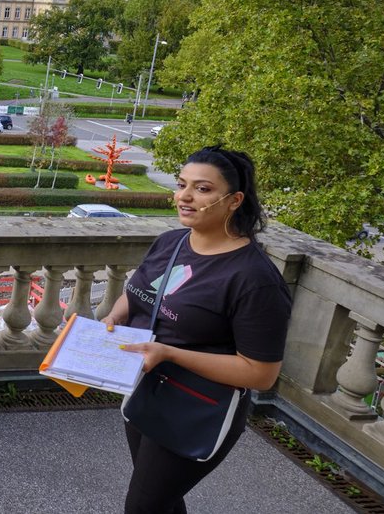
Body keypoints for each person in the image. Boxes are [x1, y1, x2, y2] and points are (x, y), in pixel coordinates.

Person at [102, 146, 292, 514]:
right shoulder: (171, 242)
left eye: (202, 189)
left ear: (234, 200)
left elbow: (261, 373)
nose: (184, 197)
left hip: (195, 407)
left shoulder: (254, 279)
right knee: (162, 502)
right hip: (145, 389)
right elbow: (139, 291)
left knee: (142, 507)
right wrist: (114, 316)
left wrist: (169, 353)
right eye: (181, 184)